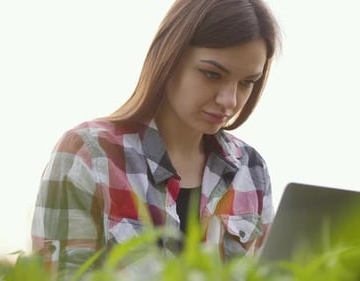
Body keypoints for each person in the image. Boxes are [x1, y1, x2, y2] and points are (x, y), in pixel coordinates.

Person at [31, 0, 281, 278]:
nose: (229, 100)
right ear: (169, 57)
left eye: (247, 82)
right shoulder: (88, 154)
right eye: (212, 74)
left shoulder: (251, 169)